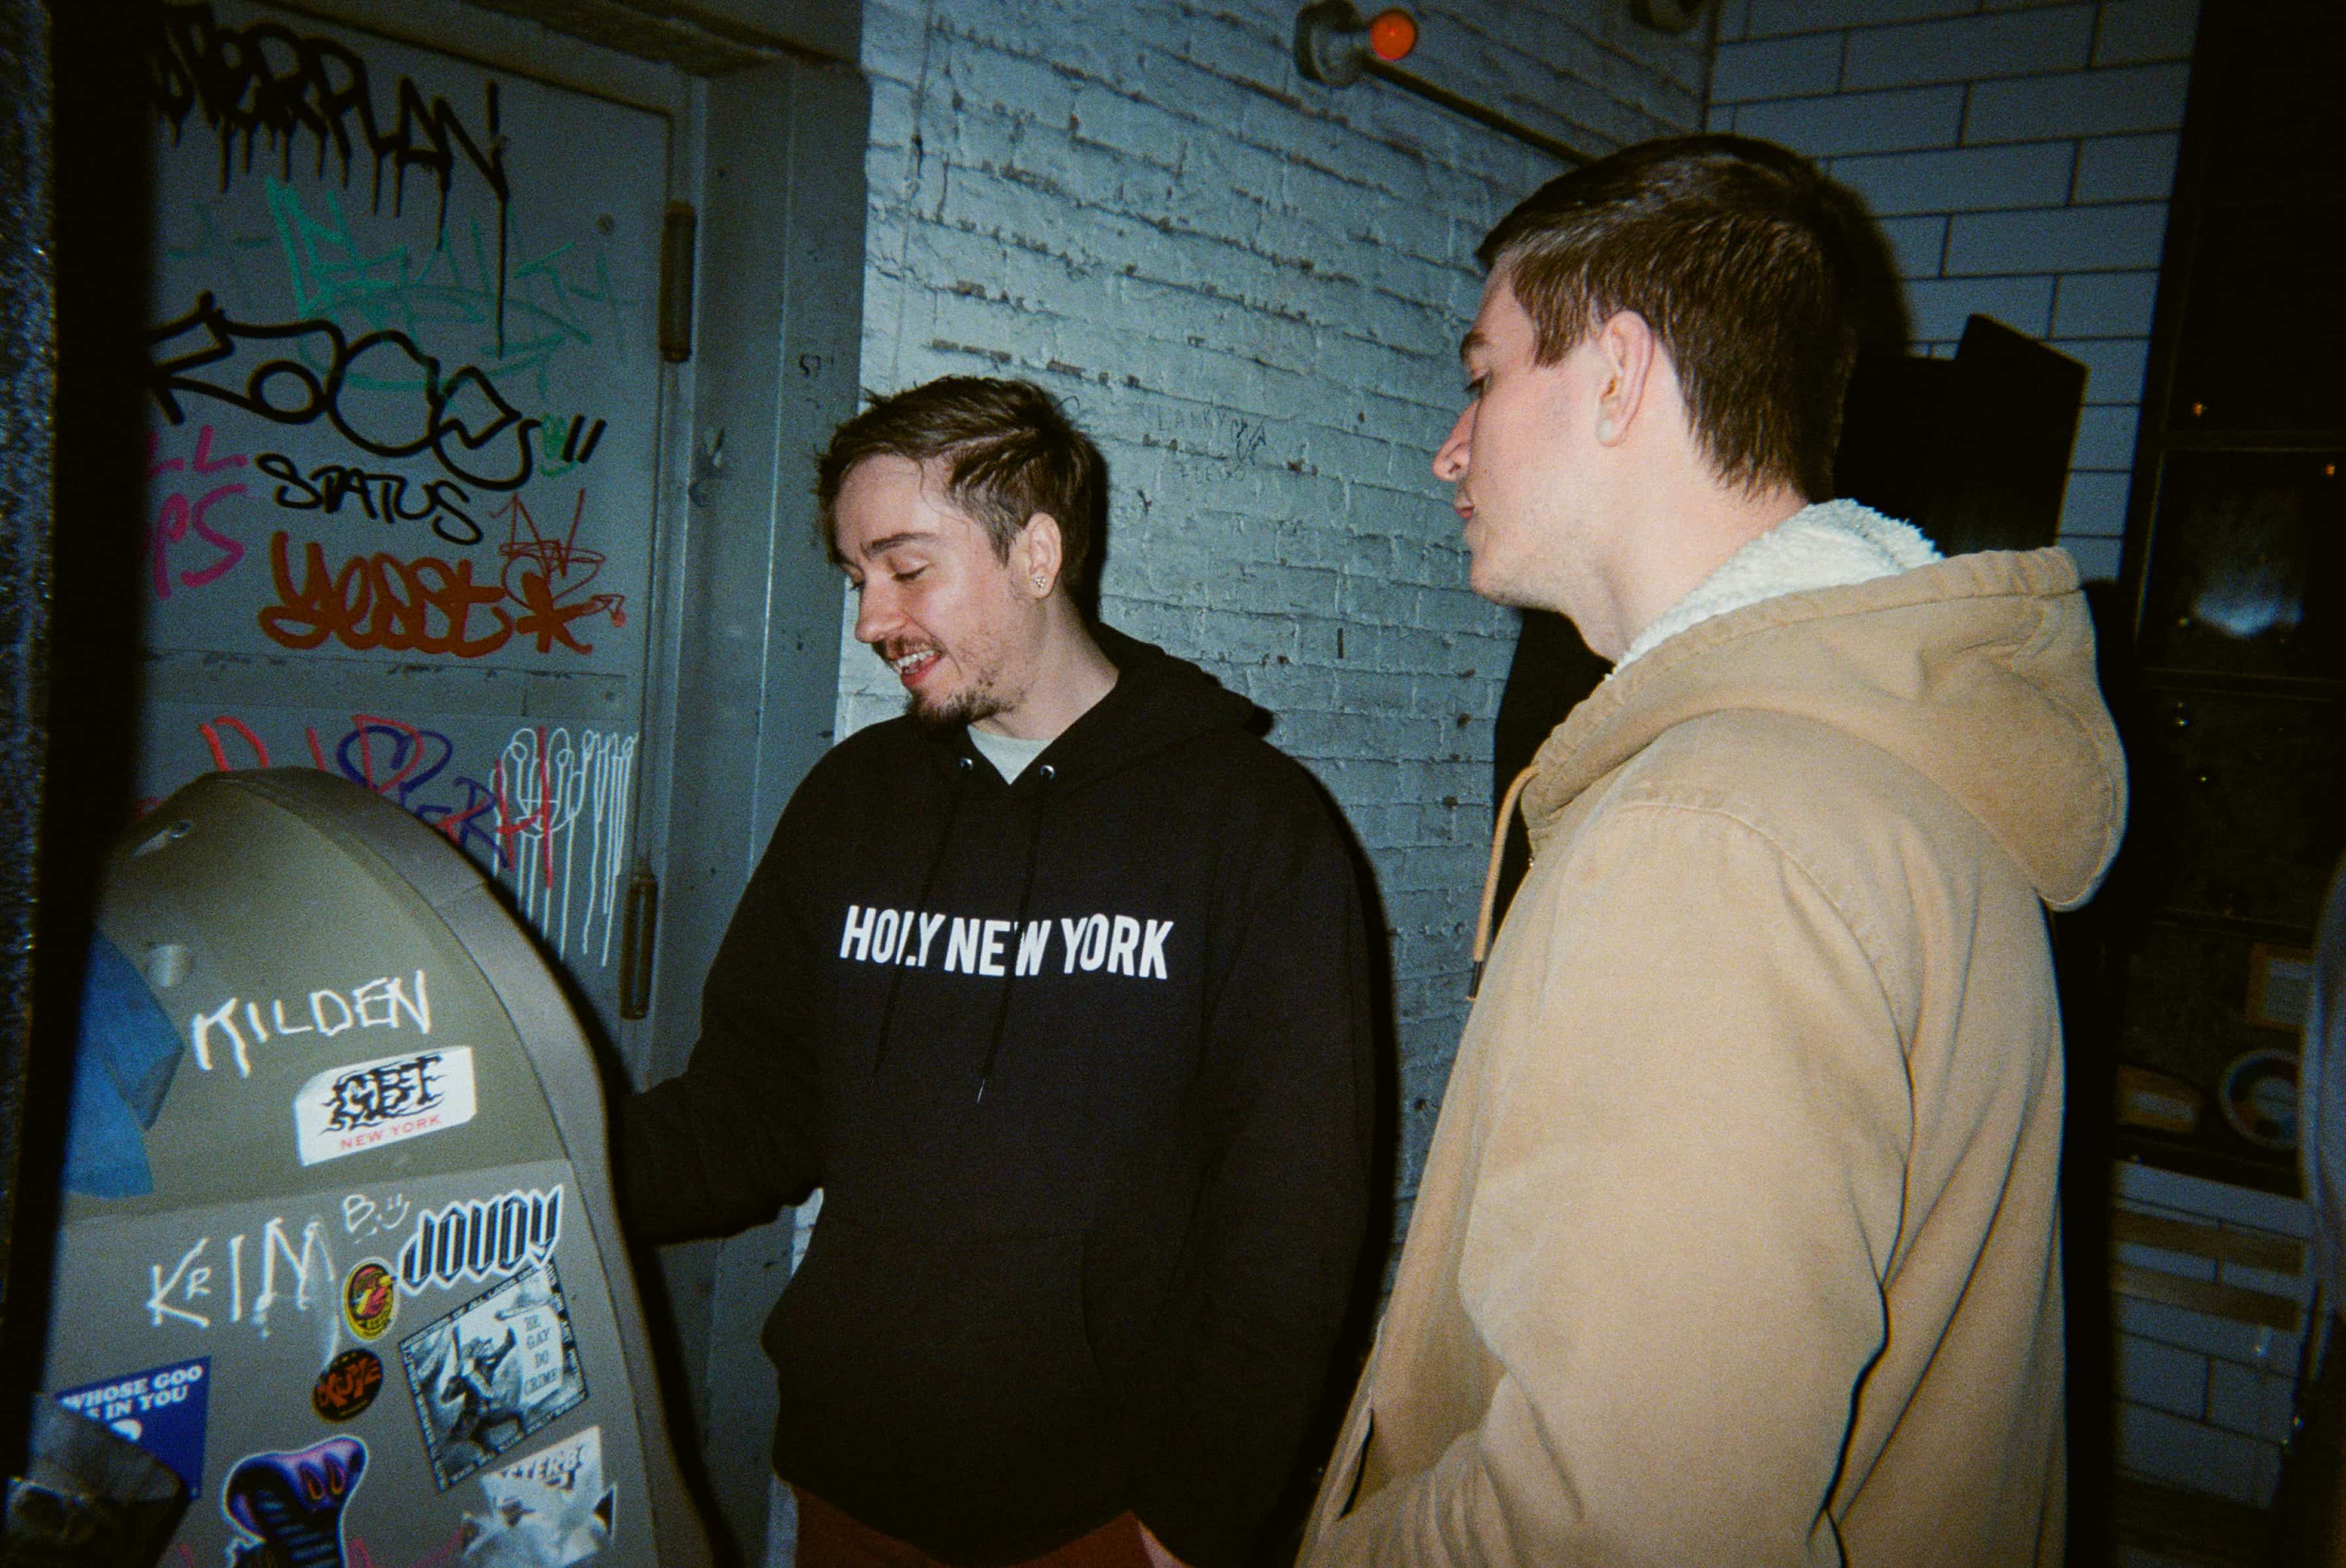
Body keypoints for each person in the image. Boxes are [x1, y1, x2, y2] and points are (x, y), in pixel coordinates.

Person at [1297, 135, 2127, 1566]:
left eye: (1482, 375)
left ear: (1616, 373)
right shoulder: (1876, 765)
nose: (1451, 443)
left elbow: (1614, 1528)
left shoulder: (1713, 837)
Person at [620, 376, 1374, 1568]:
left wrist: (1207, 1508)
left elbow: (1295, 1214)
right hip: (853, 1478)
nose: (873, 620)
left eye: (907, 569)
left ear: (1035, 552)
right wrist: (550, 1178)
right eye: (856, 577)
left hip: (1109, 1509)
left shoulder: (1251, 826)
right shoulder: (854, 803)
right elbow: (758, 1108)